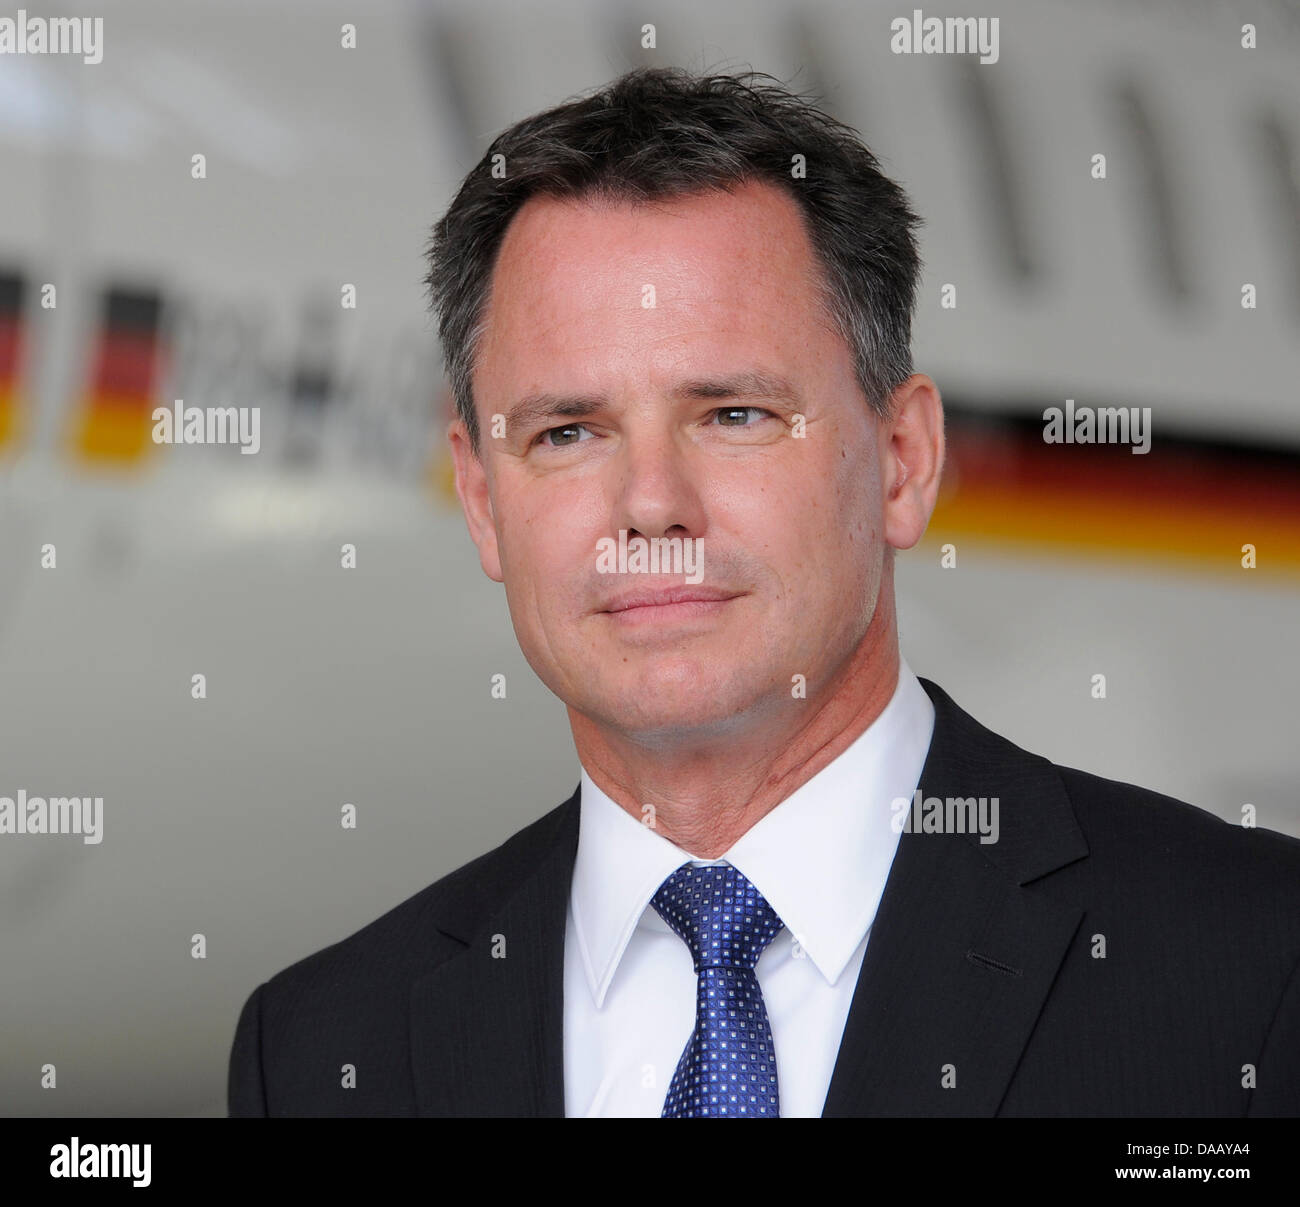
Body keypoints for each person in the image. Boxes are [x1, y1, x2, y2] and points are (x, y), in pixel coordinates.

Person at [228, 67, 1300, 1117]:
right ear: (479, 497)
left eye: (733, 414)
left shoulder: (1254, 968)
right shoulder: (321, 1052)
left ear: (902, 458)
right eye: (567, 432)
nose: (650, 506)